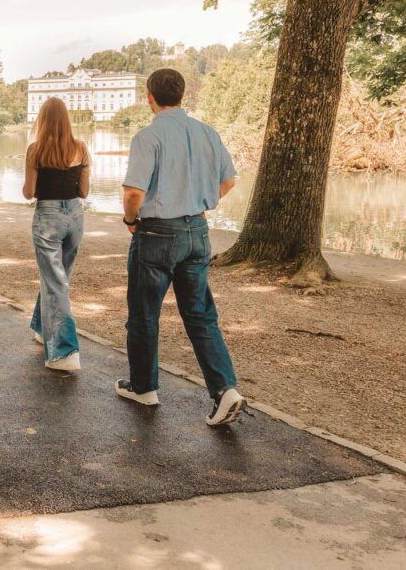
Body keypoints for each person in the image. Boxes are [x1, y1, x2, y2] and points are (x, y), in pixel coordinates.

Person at [115, 68, 246, 426]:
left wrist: (131, 221)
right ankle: (225, 390)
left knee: (144, 314)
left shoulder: (149, 136)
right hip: (198, 230)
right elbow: (229, 179)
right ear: (183, 95)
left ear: (149, 97)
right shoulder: (206, 132)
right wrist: (200, 200)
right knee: (201, 315)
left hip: (157, 233)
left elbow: (133, 193)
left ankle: (144, 387)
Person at [23, 97, 90, 372]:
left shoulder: (35, 150)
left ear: (42, 120)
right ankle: (42, 327)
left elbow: (29, 192)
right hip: (75, 216)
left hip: (48, 216)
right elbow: (84, 192)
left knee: (55, 282)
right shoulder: (81, 148)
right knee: (58, 278)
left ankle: (65, 352)